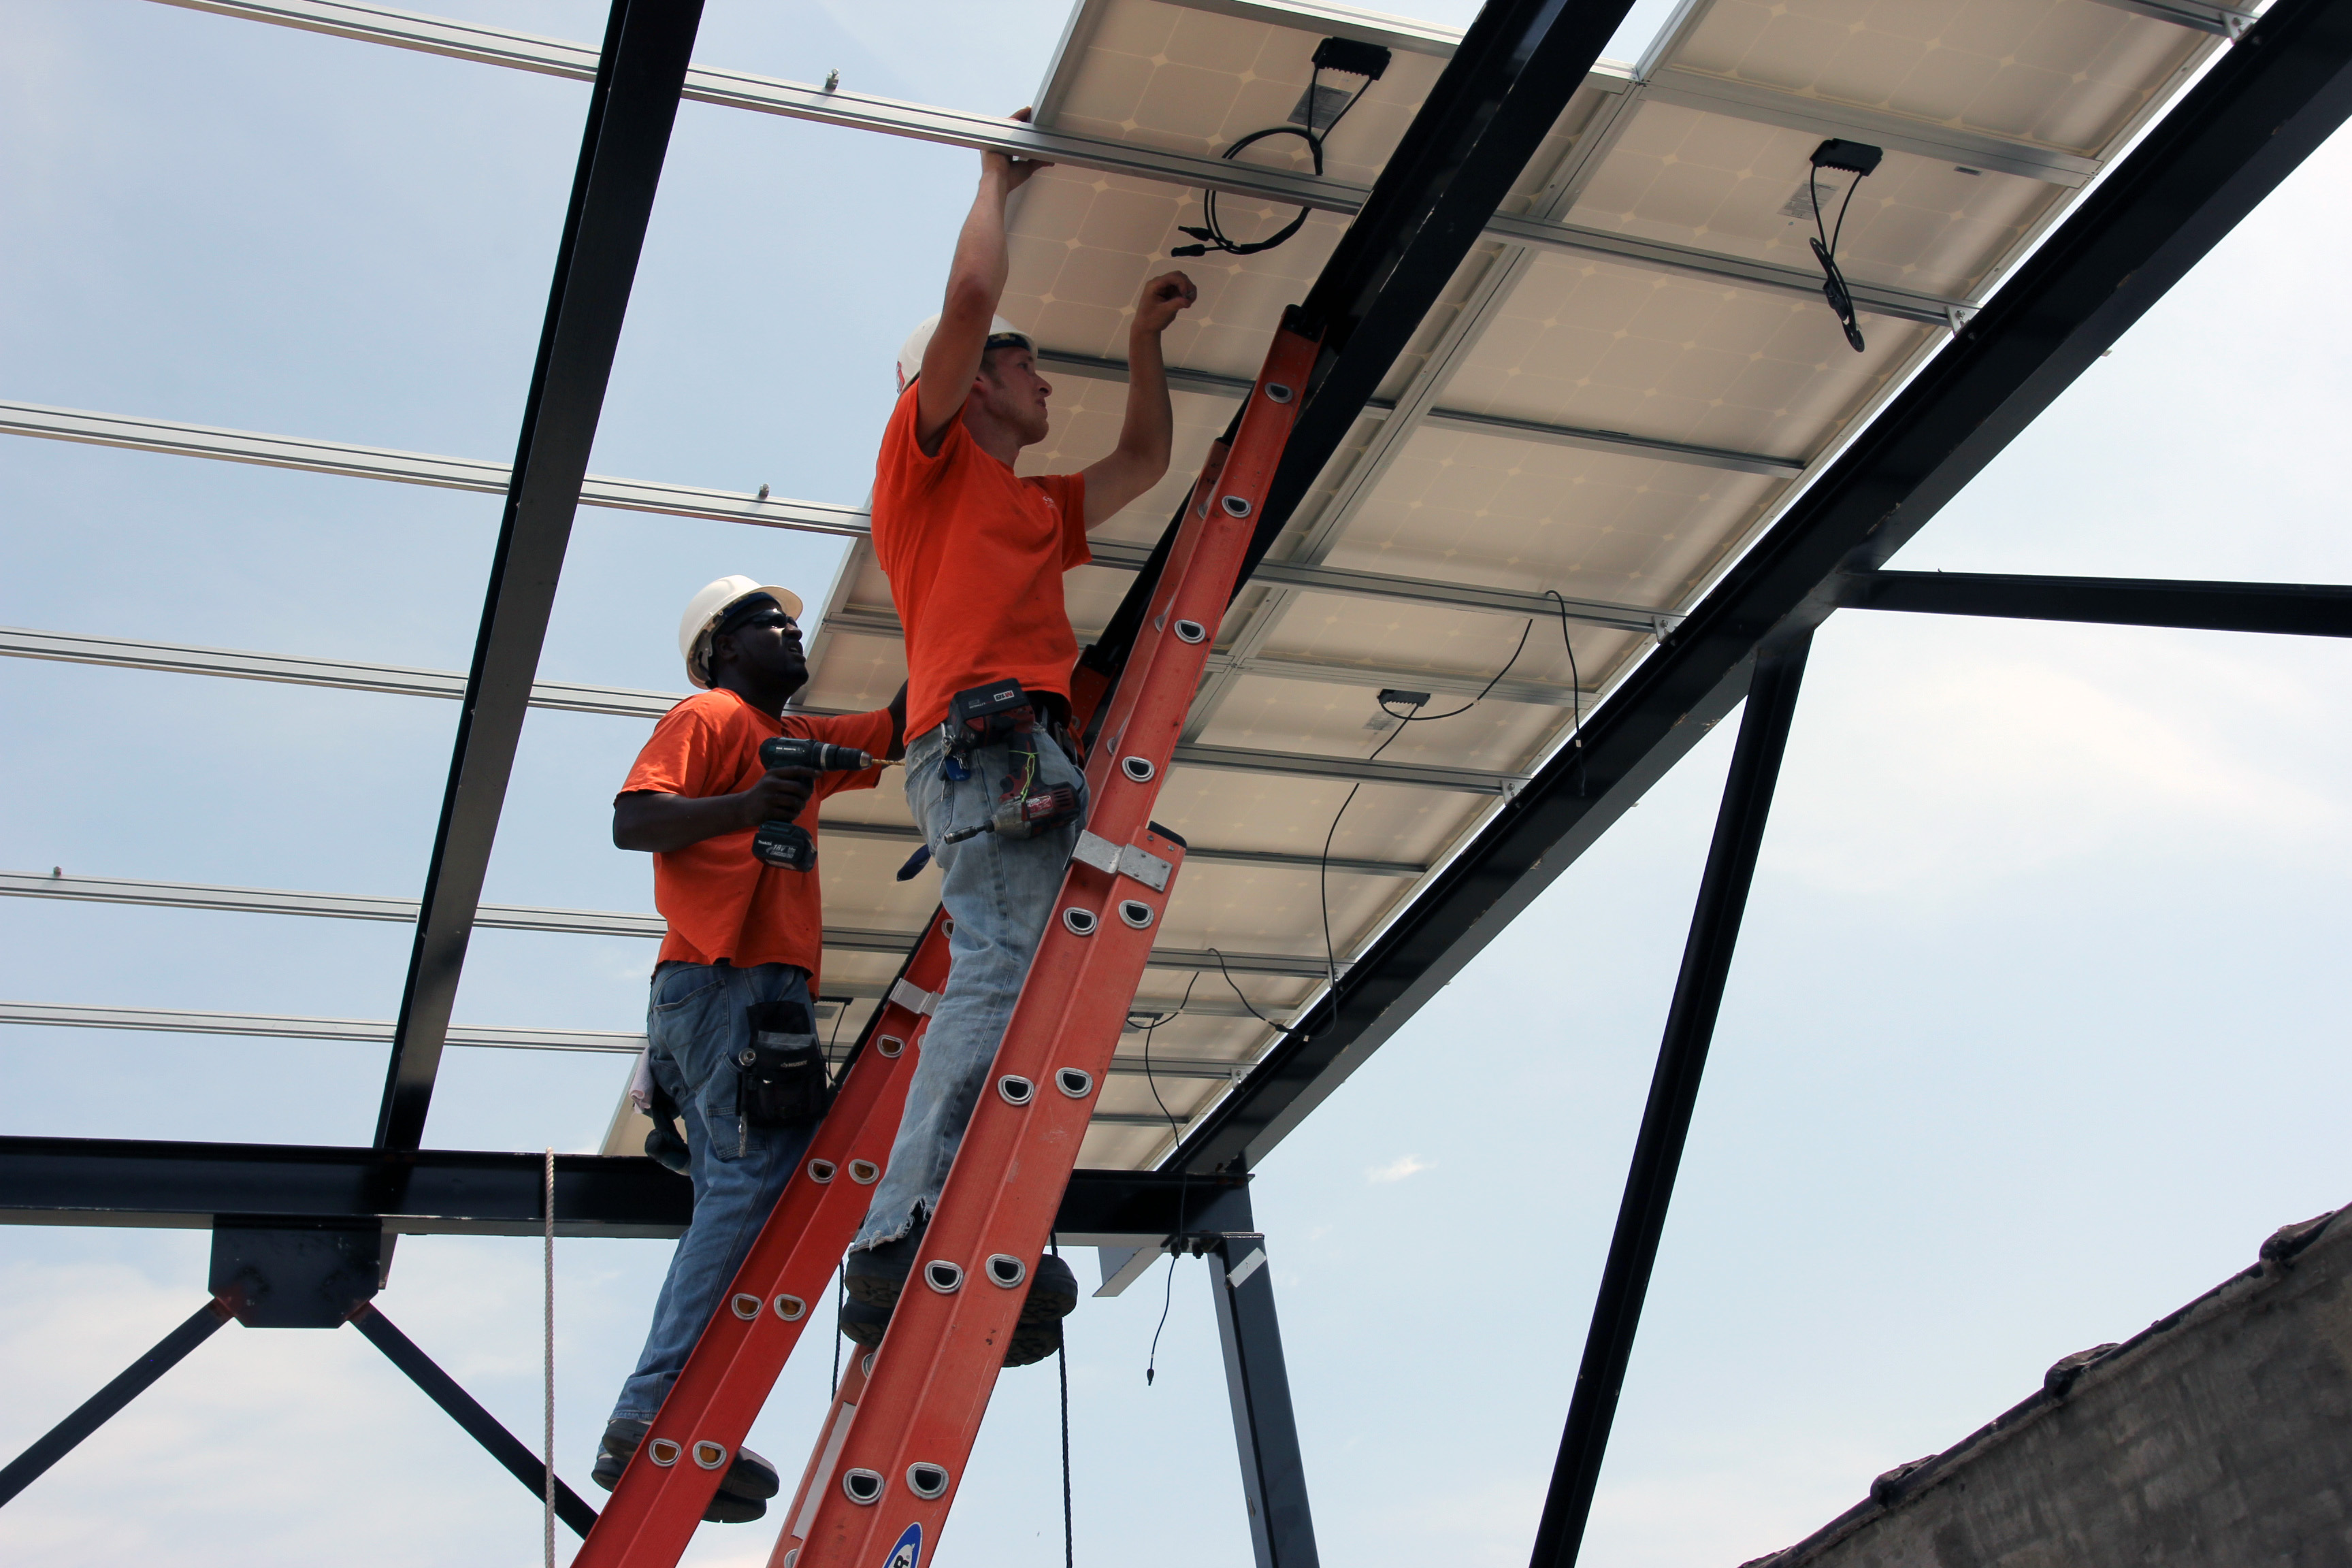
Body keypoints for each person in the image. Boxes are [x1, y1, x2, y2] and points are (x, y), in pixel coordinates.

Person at [838, 108, 1198, 1361]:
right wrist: (994, 175)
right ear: (973, 376)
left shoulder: (1030, 505)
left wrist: (1148, 343)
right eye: (1029, 365)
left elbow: (1145, 461)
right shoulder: (924, 463)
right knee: (999, 966)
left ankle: (968, 1212)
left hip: (1020, 752)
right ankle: (901, 1234)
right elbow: (976, 287)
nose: (1047, 383)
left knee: (1030, 975)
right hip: (984, 748)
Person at [594, 574, 906, 1524]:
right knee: (746, 1186)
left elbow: (896, 727)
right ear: (724, 648)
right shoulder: (711, 714)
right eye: (773, 624)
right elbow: (632, 820)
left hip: (739, 989)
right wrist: (743, 809)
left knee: (750, 1189)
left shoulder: (800, 744)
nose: (793, 635)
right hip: (723, 976)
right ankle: (650, 1418)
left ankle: (672, 1416)